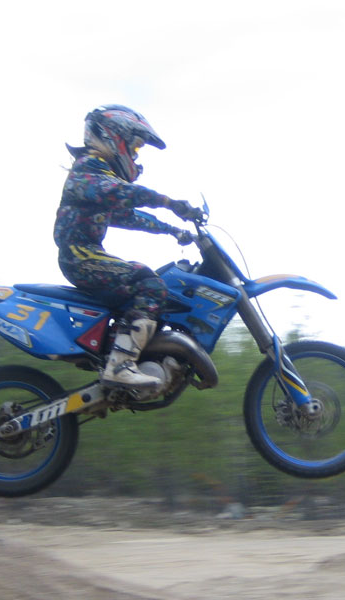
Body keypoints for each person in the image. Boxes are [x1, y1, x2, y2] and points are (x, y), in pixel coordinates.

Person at [54, 104, 202, 390]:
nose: (135, 156)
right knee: (150, 284)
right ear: (114, 136)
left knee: (153, 284)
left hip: (86, 255)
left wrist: (174, 230)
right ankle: (120, 365)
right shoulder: (87, 171)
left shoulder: (97, 178)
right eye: (134, 147)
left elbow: (129, 216)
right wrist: (170, 203)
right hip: (79, 257)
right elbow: (123, 193)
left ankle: (129, 351)